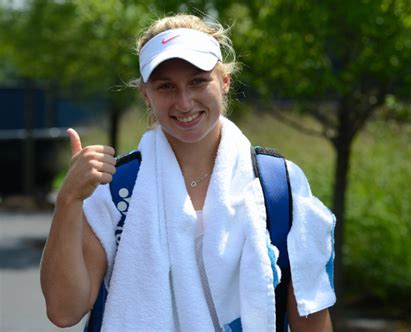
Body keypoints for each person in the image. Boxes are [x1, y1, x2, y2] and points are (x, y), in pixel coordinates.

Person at [40, 13, 336, 331]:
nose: (184, 102)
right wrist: (69, 199)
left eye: (198, 81)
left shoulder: (278, 185)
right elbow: (64, 310)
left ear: (224, 82)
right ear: (146, 95)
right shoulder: (116, 189)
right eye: (166, 86)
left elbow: (311, 316)